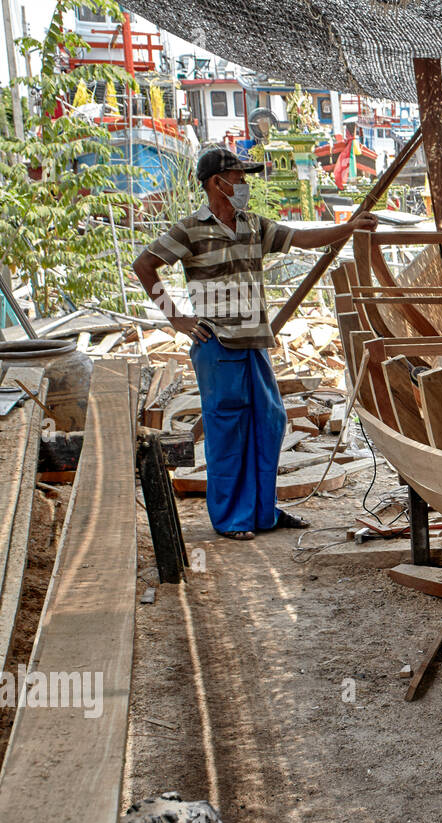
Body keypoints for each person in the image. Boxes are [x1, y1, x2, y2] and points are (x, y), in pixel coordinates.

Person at [134, 147, 379, 540]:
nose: (245, 183)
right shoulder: (190, 229)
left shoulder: (252, 224)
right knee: (228, 429)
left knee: (268, 423)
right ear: (217, 182)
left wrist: (349, 228)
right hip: (217, 343)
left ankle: (263, 512)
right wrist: (176, 317)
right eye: (239, 176)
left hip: (253, 342)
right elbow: (145, 265)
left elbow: (302, 238)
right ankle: (232, 519)